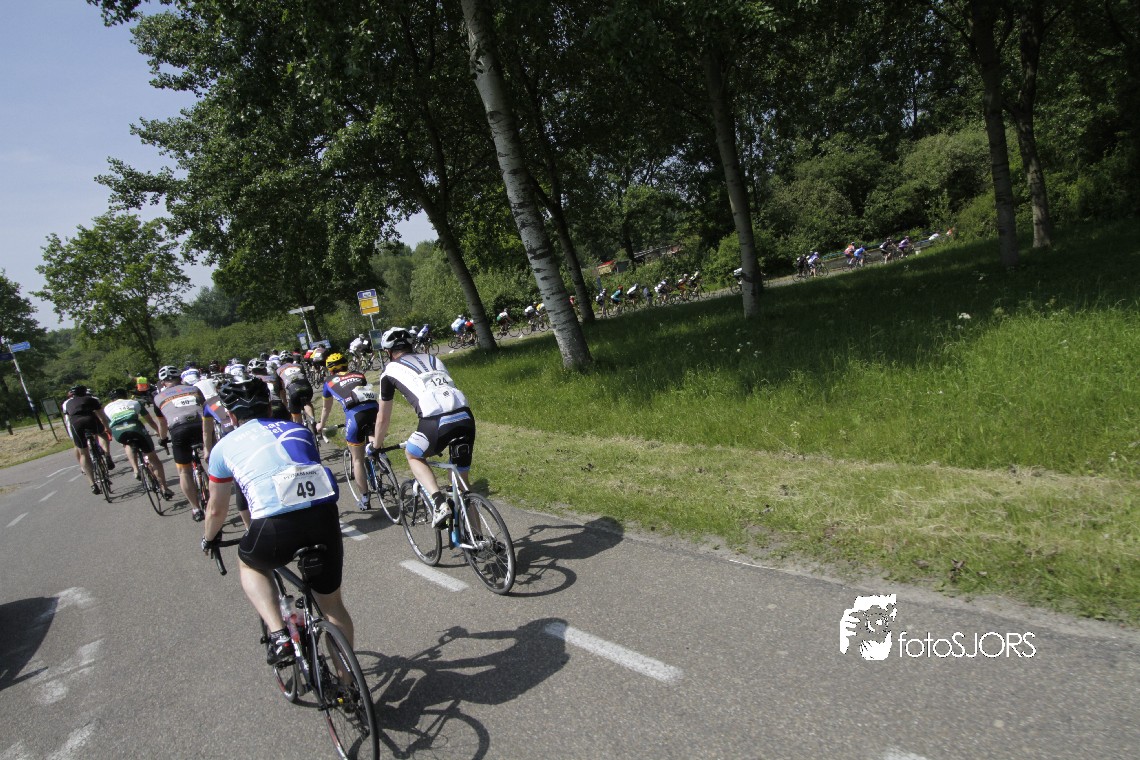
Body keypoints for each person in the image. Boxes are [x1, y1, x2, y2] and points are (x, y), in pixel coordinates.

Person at [202, 378, 353, 665]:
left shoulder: (223, 447)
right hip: (323, 517)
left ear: (231, 417)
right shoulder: (299, 430)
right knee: (332, 606)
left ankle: (279, 633)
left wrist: (209, 539)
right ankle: (348, 682)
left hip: (274, 527)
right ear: (270, 409)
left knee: (250, 563)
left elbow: (216, 510)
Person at [371, 327, 475, 528]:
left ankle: (438, 503)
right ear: (411, 345)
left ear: (388, 352)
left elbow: (383, 418)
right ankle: (479, 538)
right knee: (462, 486)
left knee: (413, 454)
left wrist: (376, 446)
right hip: (465, 416)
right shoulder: (433, 359)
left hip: (435, 421)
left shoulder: (389, 370)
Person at [316, 352, 379, 510]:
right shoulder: (359, 374)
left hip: (355, 417)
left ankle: (365, 498)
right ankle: (379, 457)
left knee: (357, 460)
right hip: (375, 411)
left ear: (330, 369)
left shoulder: (328, 382)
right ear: (345, 363)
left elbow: (326, 408)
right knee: (372, 438)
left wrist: (321, 425)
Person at [153, 364, 208, 521]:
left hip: (179, 429)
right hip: (201, 425)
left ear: (162, 383)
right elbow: (206, 409)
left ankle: (196, 509)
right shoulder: (194, 389)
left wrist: (163, 438)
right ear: (180, 378)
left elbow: (162, 424)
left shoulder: (158, 398)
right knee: (213, 459)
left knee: (184, 471)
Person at [103, 388, 172, 496]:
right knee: (153, 458)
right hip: (135, 427)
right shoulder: (135, 402)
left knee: (126, 443)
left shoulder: (107, 407)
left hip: (118, 431)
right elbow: (150, 421)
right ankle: (164, 488)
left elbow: (108, 424)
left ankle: (135, 469)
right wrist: (158, 432)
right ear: (125, 395)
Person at [62, 385, 114, 495]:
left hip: (76, 424)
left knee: (84, 454)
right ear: (85, 392)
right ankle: (107, 455)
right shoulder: (92, 399)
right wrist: (107, 428)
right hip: (90, 420)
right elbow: (102, 417)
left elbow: (67, 417)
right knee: (102, 434)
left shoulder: (67, 403)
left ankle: (92, 483)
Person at [275, 354, 316, 425]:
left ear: (281, 362)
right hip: (306, 386)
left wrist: (284, 402)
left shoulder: (278, 370)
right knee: (307, 402)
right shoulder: (299, 365)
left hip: (293, 389)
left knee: (295, 412)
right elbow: (304, 376)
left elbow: (281, 389)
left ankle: (299, 425)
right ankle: (312, 419)